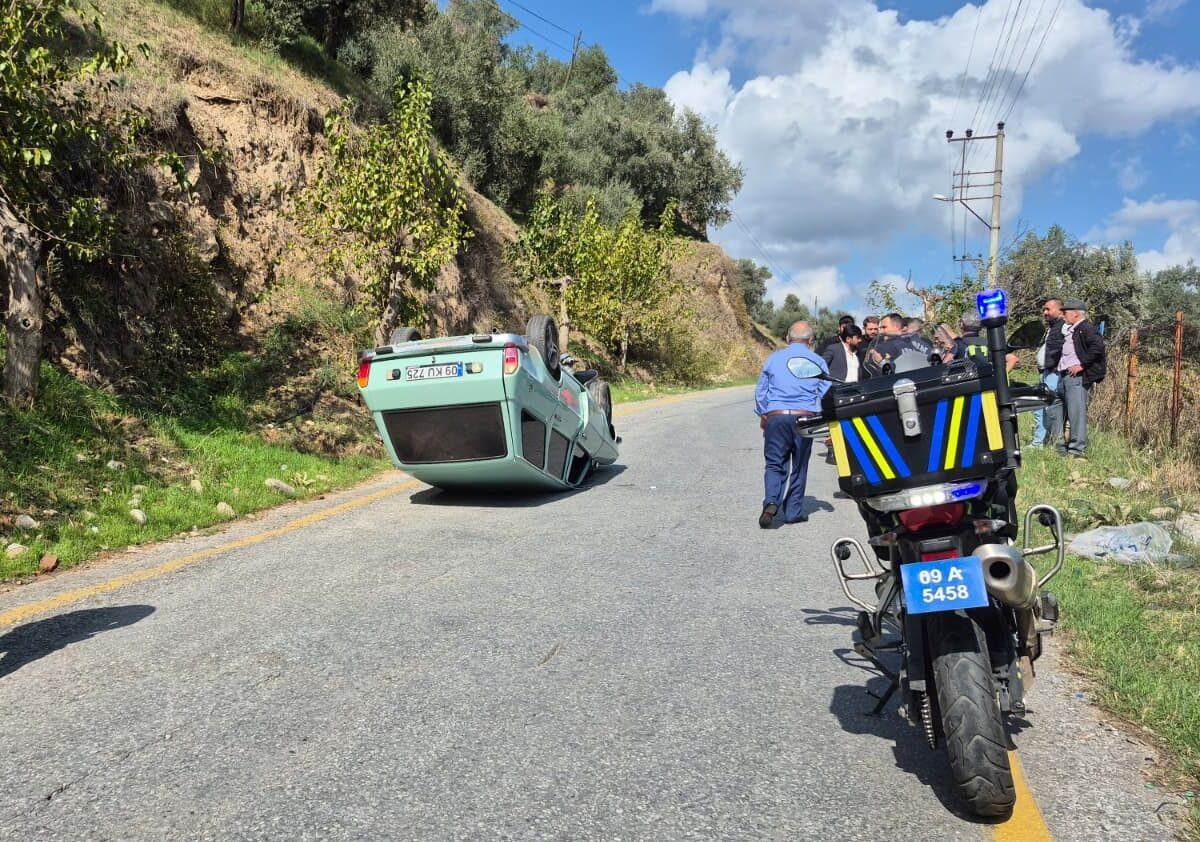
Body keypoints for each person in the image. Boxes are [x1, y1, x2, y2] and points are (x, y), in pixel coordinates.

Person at [754, 321, 830, 527]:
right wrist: (817, 411)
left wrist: (764, 413)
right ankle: (793, 512)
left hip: (776, 415)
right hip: (804, 417)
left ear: (787, 339)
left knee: (774, 463)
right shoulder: (817, 361)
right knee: (799, 465)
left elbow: (761, 391)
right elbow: (826, 389)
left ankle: (771, 501)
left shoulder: (773, 359)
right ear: (811, 341)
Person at [1055, 299, 1107, 458]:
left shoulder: (1086, 328)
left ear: (1075, 313)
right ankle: (1062, 447)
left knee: (1076, 414)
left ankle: (1077, 451)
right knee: (1061, 412)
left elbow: (1098, 348)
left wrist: (1082, 365)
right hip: (1064, 376)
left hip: (1076, 377)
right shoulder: (1074, 330)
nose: (1063, 316)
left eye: (1065, 312)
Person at [1030, 298, 1066, 449]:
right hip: (1044, 372)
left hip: (1053, 373)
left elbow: (1069, 347)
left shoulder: (1064, 327)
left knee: (1050, 408)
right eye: (1044, 309)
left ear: (1059, 310)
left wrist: (1061, 365)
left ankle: (1054, 442)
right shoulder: (1051, 328)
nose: (1045, 312)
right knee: (1039, 406)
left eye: (1048, 309)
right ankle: (1039, 441)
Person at [862, 313, 933, 378]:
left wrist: (881, 361)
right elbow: (873, 369)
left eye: (884, 327)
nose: (881, 331)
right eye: (880, 328)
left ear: (897, 326)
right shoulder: (880, 346)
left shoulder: (915, 342)